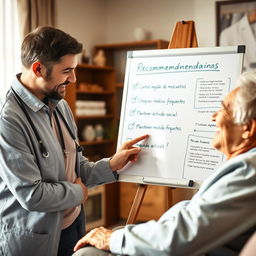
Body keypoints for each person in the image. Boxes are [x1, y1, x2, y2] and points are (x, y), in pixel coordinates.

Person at [0, 26, 148, 256]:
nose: (73, 78)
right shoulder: (8, 119)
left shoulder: (61, 106)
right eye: (67, 70)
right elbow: (32, 195)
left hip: (72, 226)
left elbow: (77, 168)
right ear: (38, 69)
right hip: (35, 240)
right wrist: (78, 193)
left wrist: (111, 164)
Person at [73, 71, 256, 256]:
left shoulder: (249, 170)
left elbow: (182, 236)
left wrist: (111, 238)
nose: (213, 116)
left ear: (248, 128)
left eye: (224, 108)